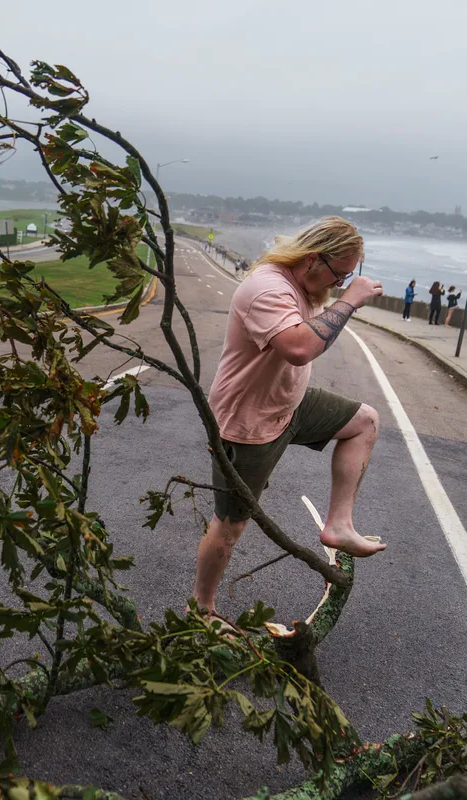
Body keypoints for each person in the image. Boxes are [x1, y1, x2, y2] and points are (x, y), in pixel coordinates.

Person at [195, 217, 385, 619]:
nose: (339, 284)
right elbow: (299, 348)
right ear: (313, 259)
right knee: (230, 526)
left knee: (364, 422)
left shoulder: (306, 283)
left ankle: (339, 525)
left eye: (349, 276)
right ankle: (203, 609)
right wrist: (349, 299)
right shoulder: (267, 288)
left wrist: (338, 290)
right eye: (339, 274)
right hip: (249, 423)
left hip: (290, 405)